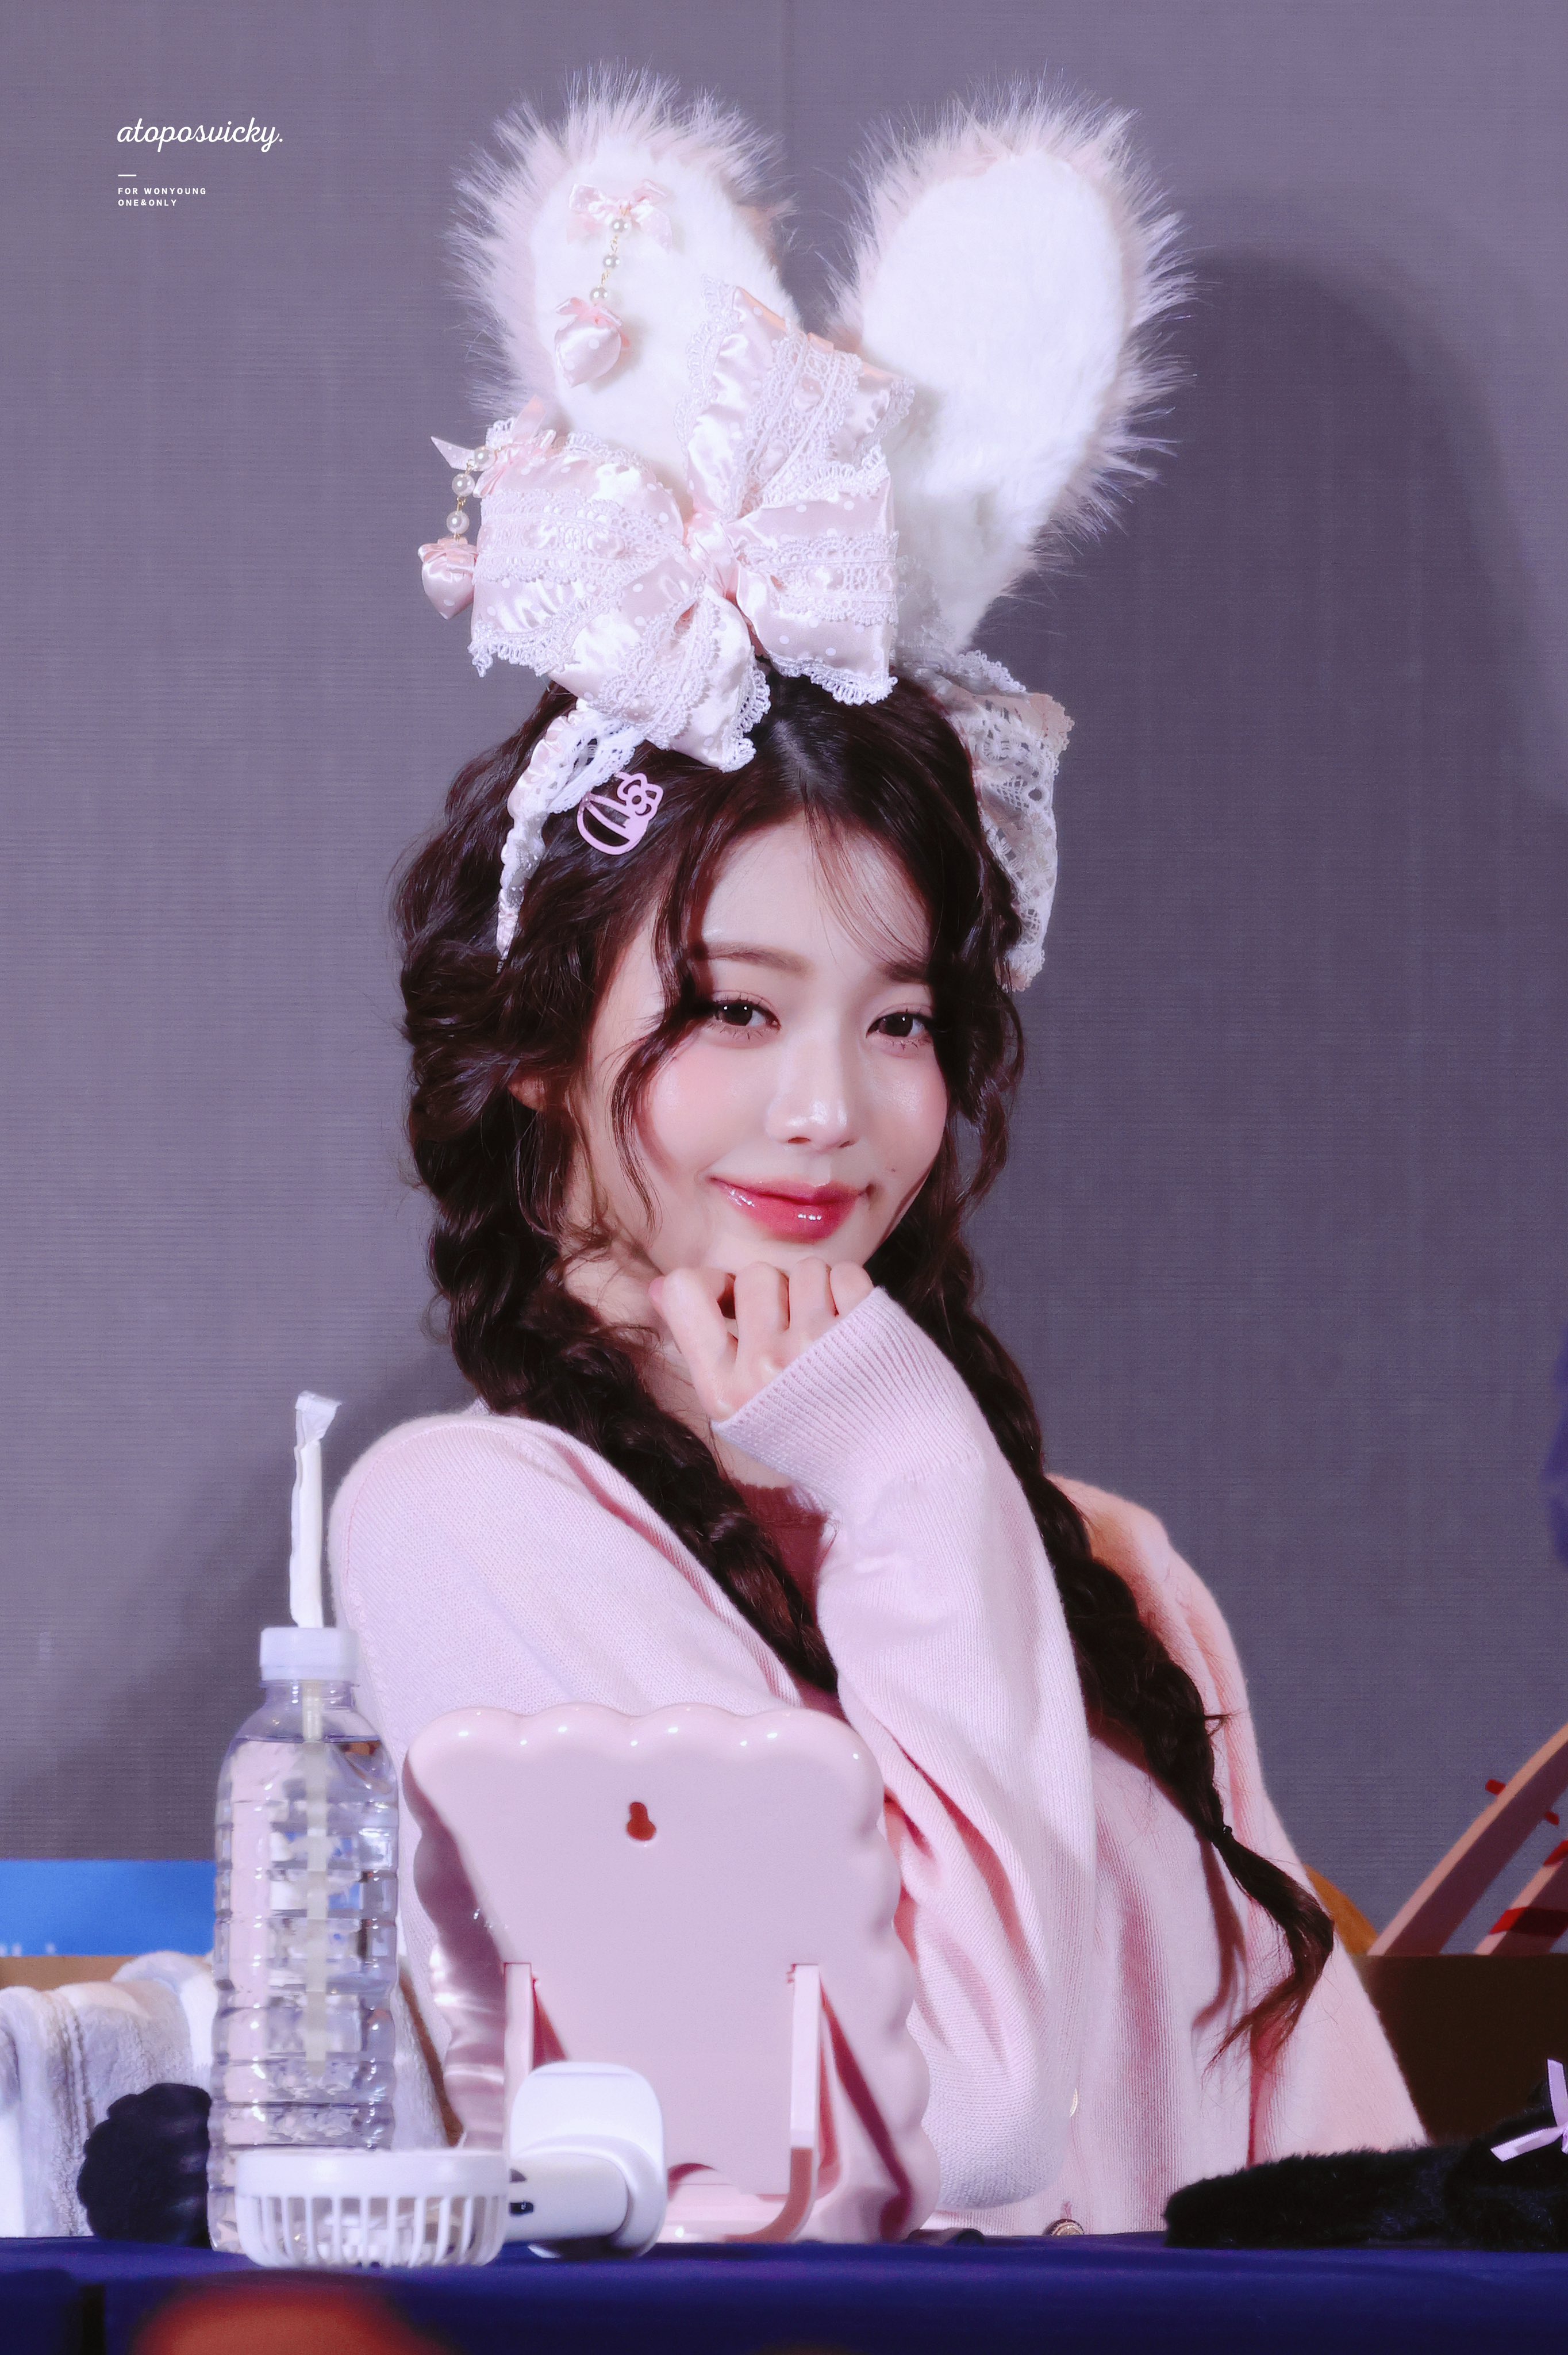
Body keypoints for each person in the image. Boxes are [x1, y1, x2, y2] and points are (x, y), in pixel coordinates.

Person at [329, 80, 1422, 2234]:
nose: (833, 1108)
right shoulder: (475, 1525)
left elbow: (1357, 2191)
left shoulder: (1100, 1568)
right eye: (735, 1009)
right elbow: (967, 2148)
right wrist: (908, 1462)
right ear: (534, 1053)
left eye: (901, 1018)